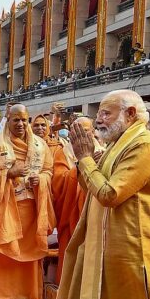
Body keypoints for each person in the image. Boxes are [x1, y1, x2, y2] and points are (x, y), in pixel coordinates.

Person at [4, 89, 150, 299]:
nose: (100, 120)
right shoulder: (119, 144)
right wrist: (85, 161)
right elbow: (92, 187)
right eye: (99, 114)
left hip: (133, 253)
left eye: (106, 113)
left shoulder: (145, 145)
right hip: (105, 246)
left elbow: (109, 193)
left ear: (130, 114)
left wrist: (84, 158)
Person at [0, 104, 55, 299]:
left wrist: (43, 179)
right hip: (4, 205)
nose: (20, 124)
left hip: (31, 205)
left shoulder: (40, 145)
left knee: (28, 252)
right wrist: (8, 174)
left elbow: (48, 170)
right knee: (3, 251)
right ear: (7, 121)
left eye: (23, 120)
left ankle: (26, 294)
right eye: (15, 120)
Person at [50, 116, 103, 284]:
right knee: (70, 253)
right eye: (76, 131)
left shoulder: (104, 150)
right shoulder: (63, 151)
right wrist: (80, 168)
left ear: (93, 131)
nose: (80, 135)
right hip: (72, 210)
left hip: (96, 211)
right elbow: (58, 180)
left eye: (85, 131)